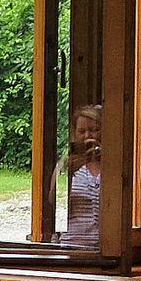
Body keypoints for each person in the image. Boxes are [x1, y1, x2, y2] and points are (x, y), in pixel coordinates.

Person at [57, 104, 101, 248]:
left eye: (93, 130)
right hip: (71, 245)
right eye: (82, 131)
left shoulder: (115, 165)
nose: (87, 136)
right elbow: (52, 202)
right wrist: (68, 172)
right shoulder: (68, 163)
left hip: (104, 249)